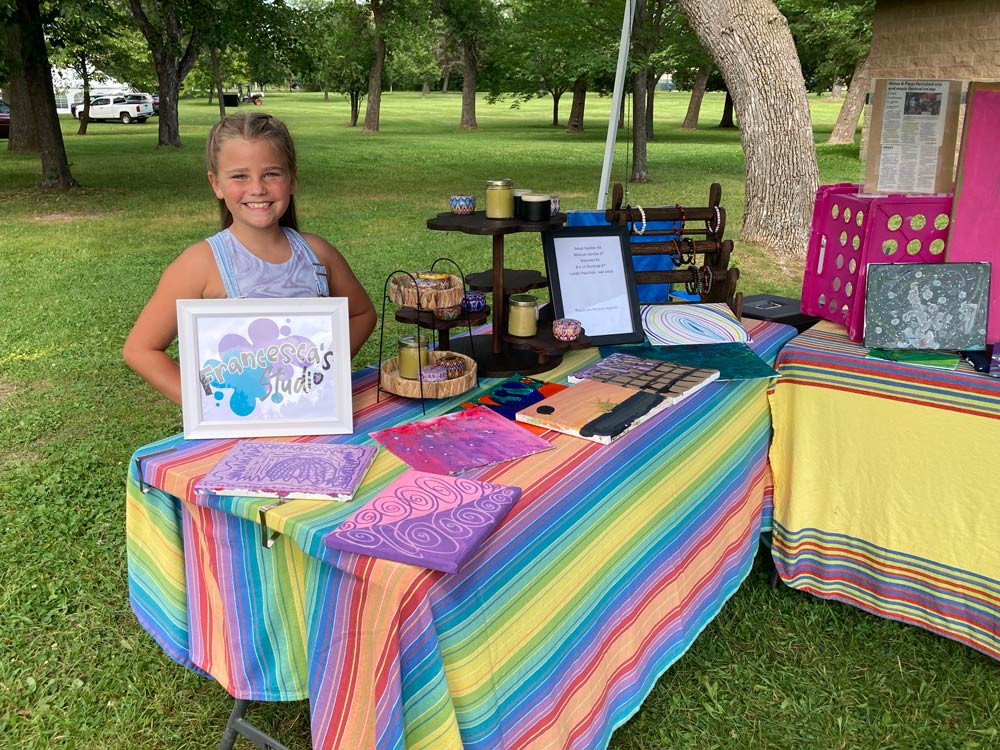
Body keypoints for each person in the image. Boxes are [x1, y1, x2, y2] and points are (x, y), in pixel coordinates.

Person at [123, 112, 376, 405]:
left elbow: (362, 314)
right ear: (216, 184)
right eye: (240, 176)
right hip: (241, 433)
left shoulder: (318, 254)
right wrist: (207, 406)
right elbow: (140, 349)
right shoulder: (200, 263)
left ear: (291, 179)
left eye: (271, 174)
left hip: (312, 423)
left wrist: (325, 369)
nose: (257, 188)